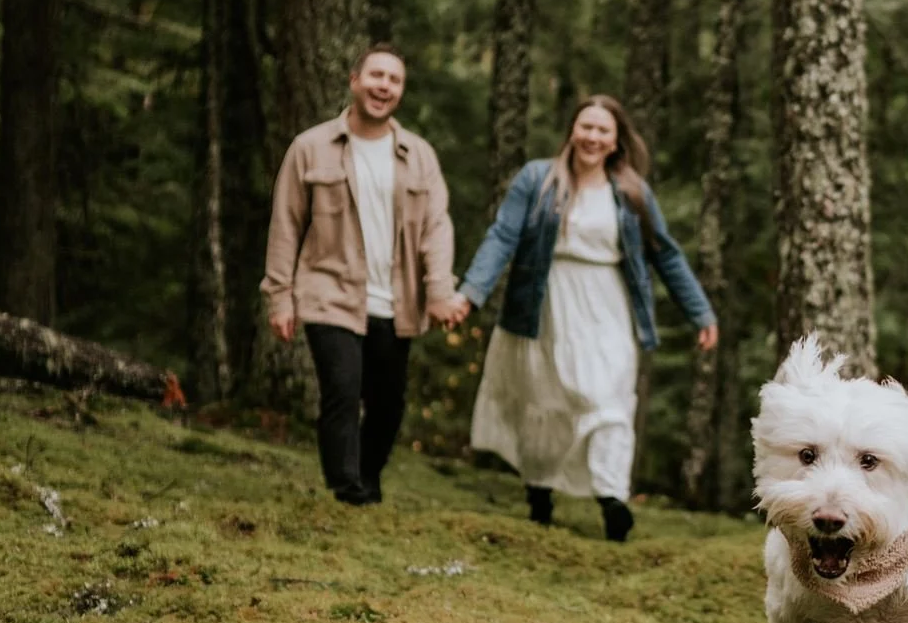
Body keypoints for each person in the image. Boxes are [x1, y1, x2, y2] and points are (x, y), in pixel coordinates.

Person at [453, 96, 718, 540]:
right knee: (547, 400)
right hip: (546, 305)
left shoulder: (632, 192)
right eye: (586, 127)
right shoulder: (538, 179)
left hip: (607, 308)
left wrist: (700, 311)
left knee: (609, 401)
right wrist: (470, 293)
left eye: (603, 131)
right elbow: (503, 235)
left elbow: (665, 254)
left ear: (616, 141)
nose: (593, 137)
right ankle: (539, 494)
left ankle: (612, 499)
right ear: (572, 131)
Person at [262, 48, 467, 507]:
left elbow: (437, 227)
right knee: (342, 388)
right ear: (355, 80)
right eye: (376, 75)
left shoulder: (419, 156)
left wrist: (439, 291)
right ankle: (346, 487)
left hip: (396, 302)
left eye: (394, 80)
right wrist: (280, 297)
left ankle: (368, 478)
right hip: (328, 291)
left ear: (400, 91)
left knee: (388, 404)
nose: (383, 86)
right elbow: (285, 224)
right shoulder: (310, 147)